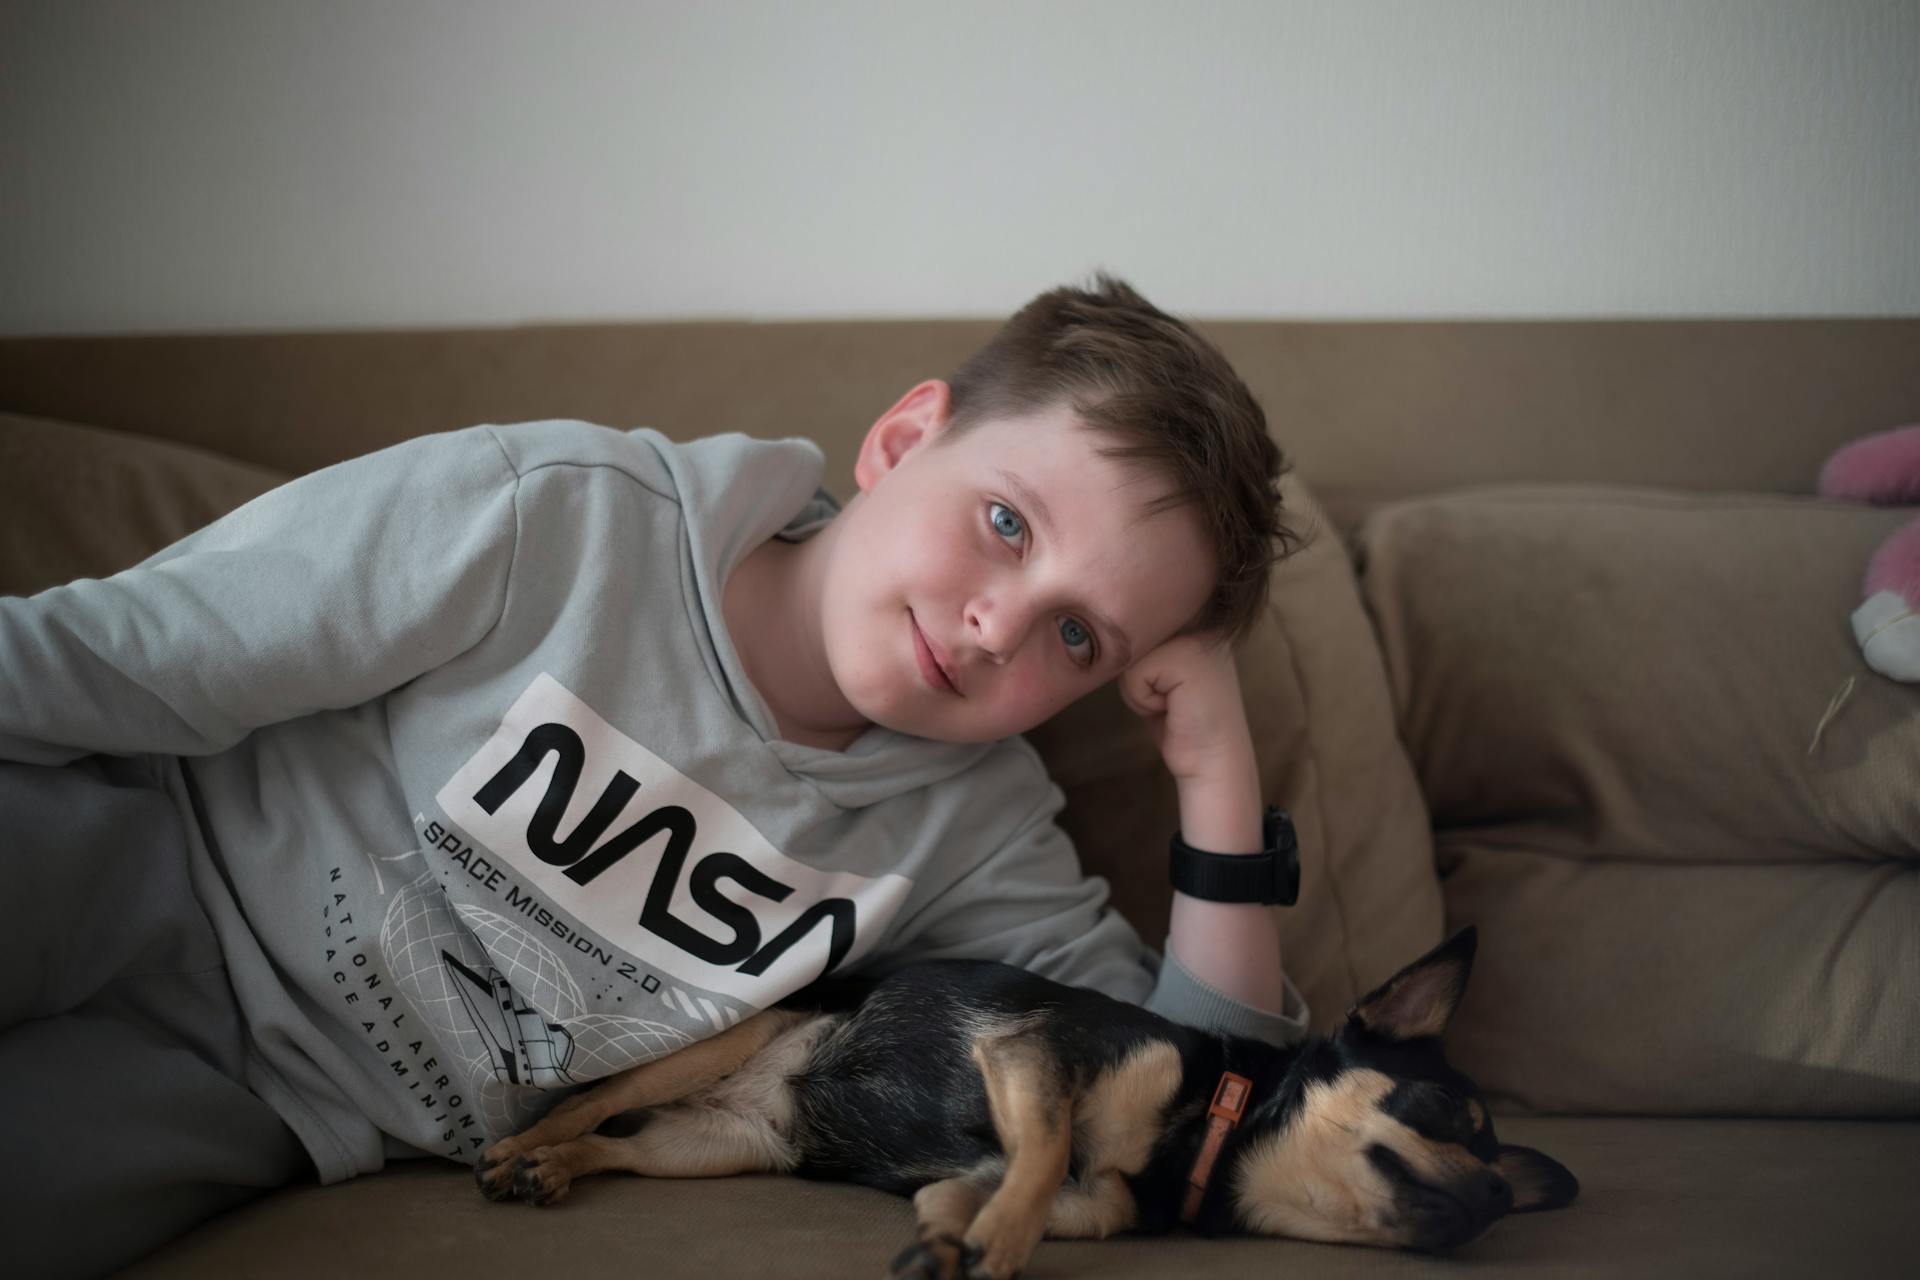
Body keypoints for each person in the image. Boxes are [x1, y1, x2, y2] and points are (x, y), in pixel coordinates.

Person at [0, 271, 1311, 1275]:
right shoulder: (560, 516)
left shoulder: (972, 828)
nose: (998, 626)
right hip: (127, 849)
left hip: (262, 1103)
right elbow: (125, 655)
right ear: (907, 440)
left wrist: (1215, 772)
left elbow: (1190, 1115)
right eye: (1005, 524)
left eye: (1078, 635)